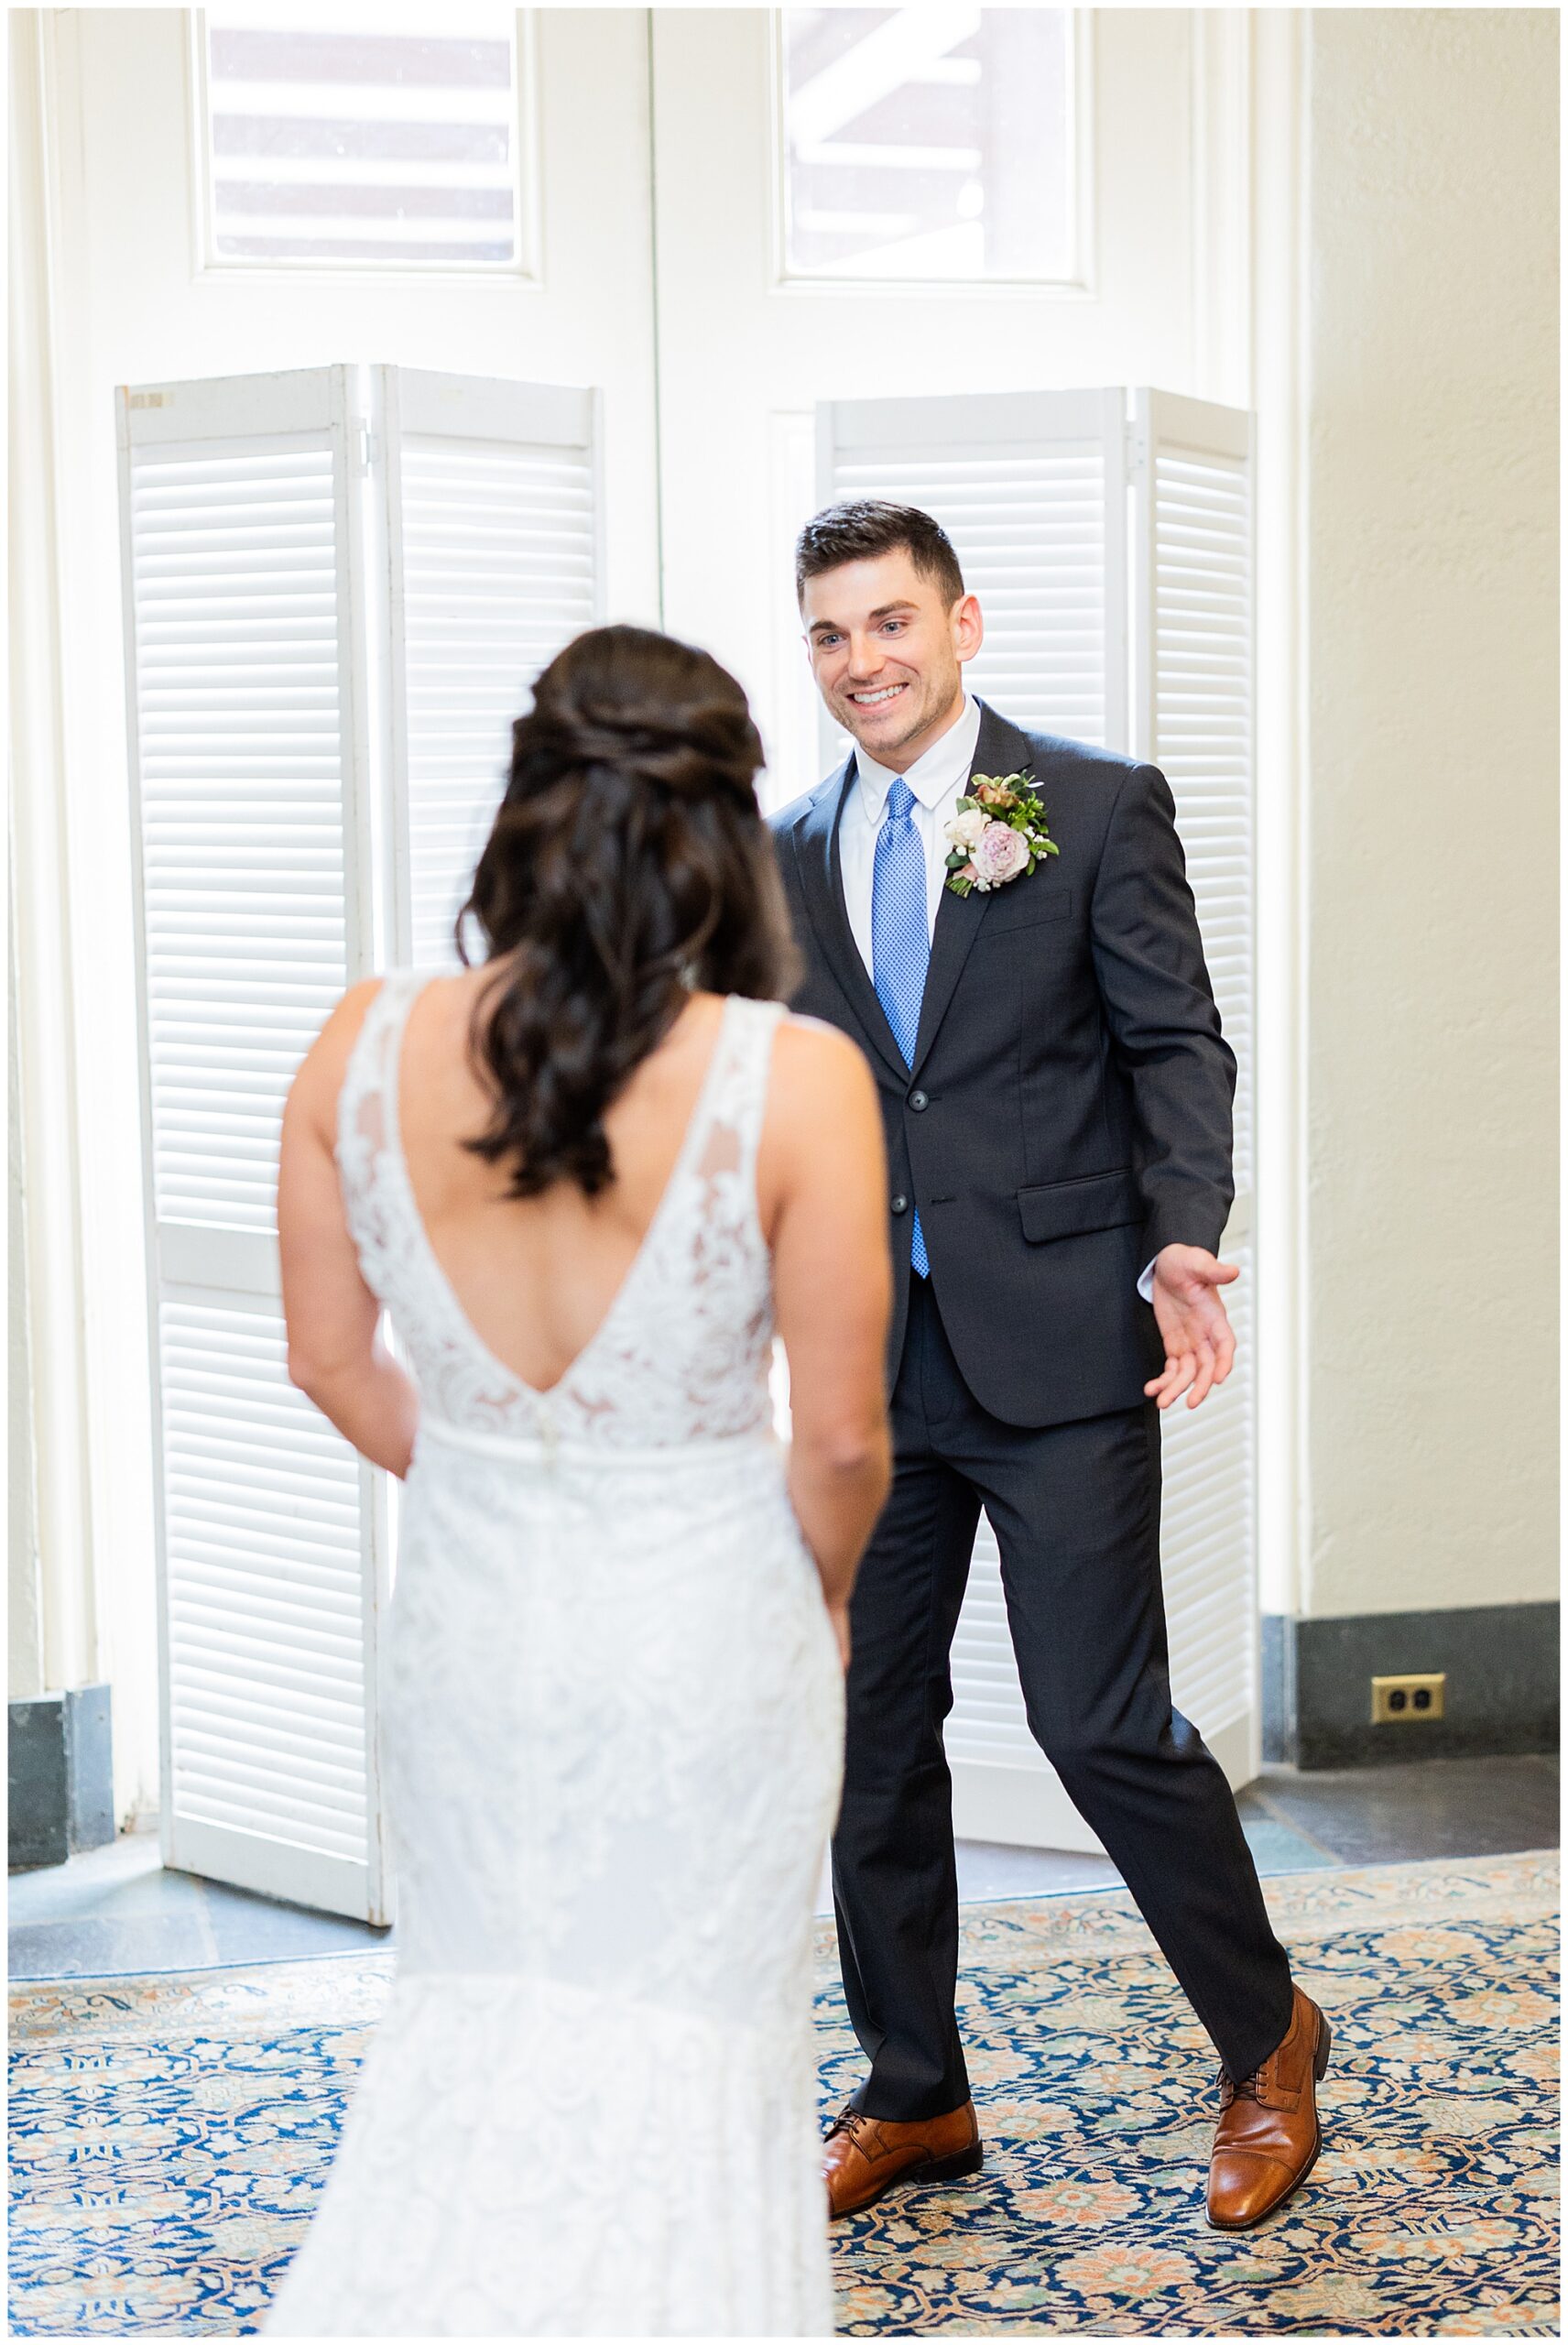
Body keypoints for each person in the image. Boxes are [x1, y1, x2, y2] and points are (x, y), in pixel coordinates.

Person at [267, 625, 893, 2336]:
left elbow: (328, 1364)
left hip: (468, 1637)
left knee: (479, 2018)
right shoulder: (793, 1077)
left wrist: (497, 1473)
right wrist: (824, 1595)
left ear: (525, 803)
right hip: (708, 1627)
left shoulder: (360, 1042)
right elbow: (843, 1440)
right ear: (724, 835)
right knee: (697, 2052)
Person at [769, 500, 1330, 2233]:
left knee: (1099, 1723)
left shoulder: (1084, 805)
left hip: (1063, 1349)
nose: (863, 661)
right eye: (831, 634)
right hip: (876, 1367)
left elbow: (1176, 1044)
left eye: (891, 622)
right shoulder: (785, 846)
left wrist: (1178, 1234)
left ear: (962, 623)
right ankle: (914, 2091)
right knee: (867, 1732)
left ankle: (1268, 2039)